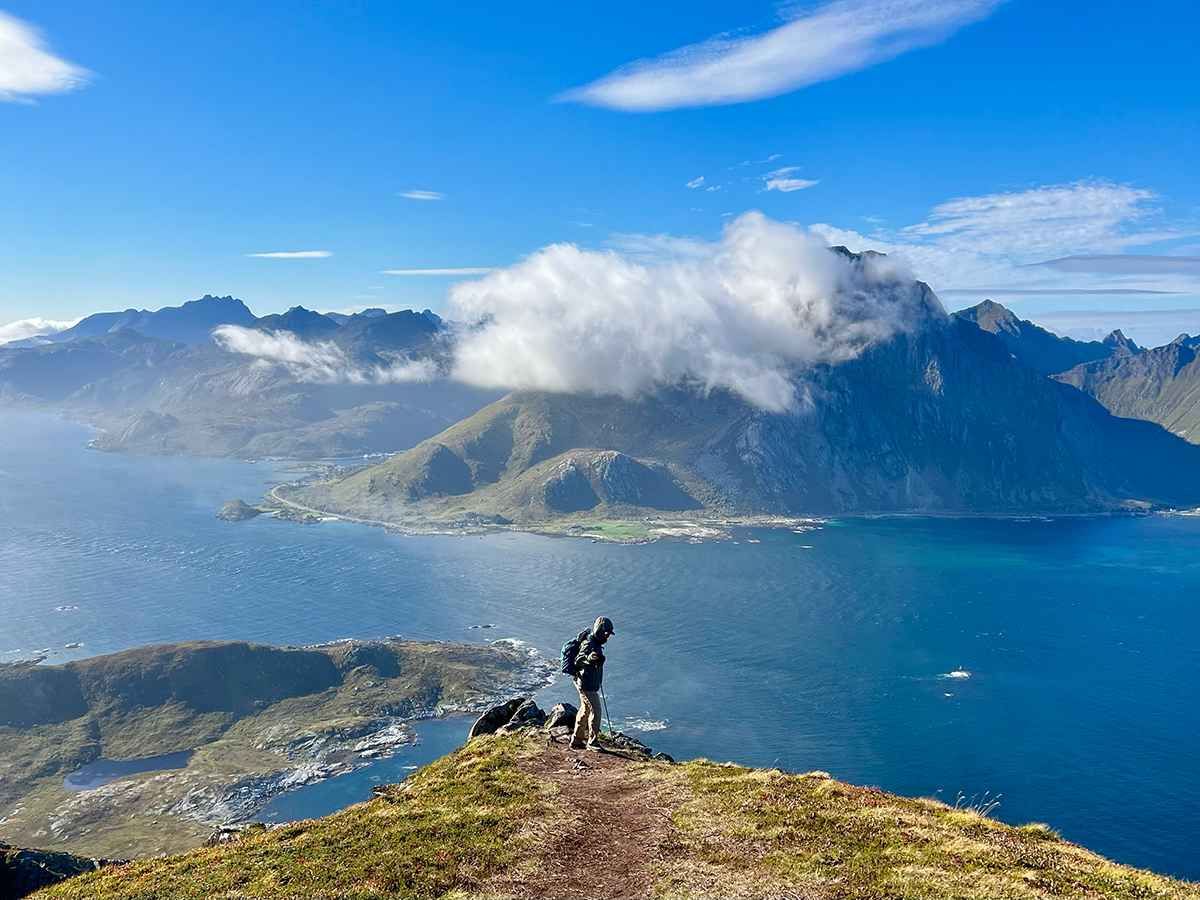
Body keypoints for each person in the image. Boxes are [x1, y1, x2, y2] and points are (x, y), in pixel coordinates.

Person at [570, 616, 614, 751]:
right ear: (600, 631)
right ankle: (592, 743)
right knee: (596, 710)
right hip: (586, 684)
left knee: (585, 710)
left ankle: (577, 740)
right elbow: (579, 660)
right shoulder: (589, 643)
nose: (607, 637)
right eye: (606, 634)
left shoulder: (596, 644)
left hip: (585, 682)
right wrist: (589, 658)